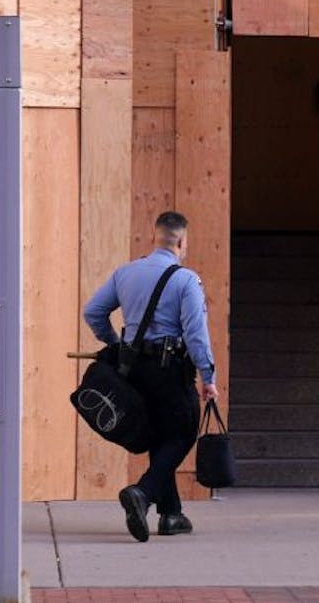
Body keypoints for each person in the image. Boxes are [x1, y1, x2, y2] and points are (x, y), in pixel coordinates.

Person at [82, 210, 220, 542]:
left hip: (133, 370)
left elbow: (93, 311)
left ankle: (171, 515)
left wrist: (116, 344)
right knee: (184, 431)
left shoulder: (125, 273)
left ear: (154, 237)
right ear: (182, 241)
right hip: (169, 369)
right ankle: (142, 493)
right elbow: (196, 333)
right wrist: (208, 376)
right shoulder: (186, 280)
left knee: (160, 435)